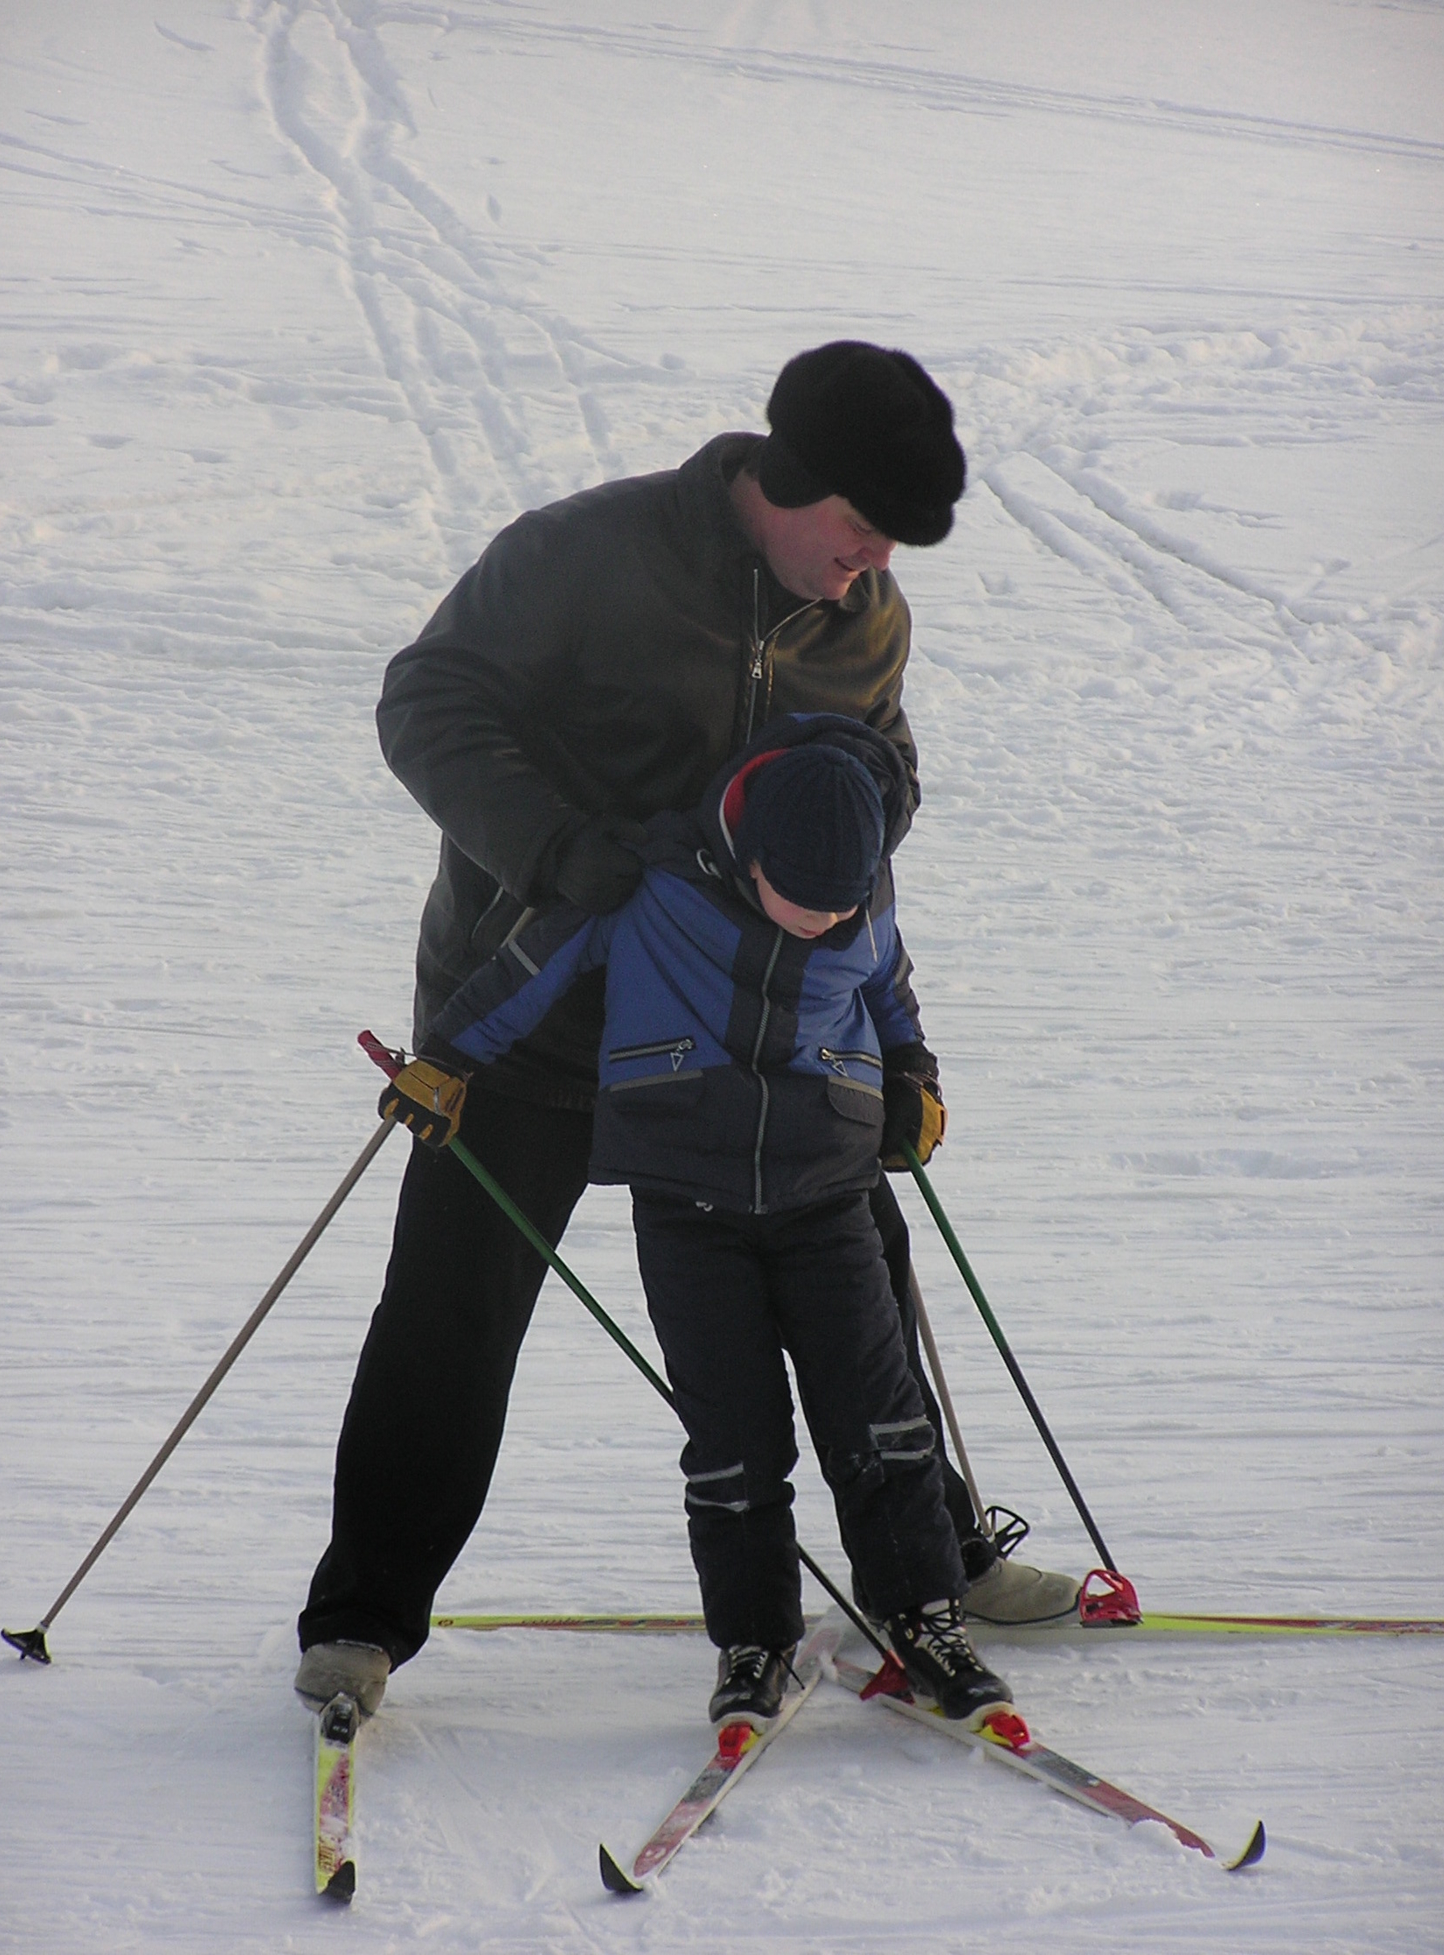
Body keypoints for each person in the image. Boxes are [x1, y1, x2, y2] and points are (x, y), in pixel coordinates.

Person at [295, 342, 1076, 1721]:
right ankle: (362, 1617)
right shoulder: (580, 556)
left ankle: (936, 1557)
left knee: (862, 1291)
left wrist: (883, 1025)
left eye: (890, 544)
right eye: (860, 528)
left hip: (756, 1039)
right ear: (788, 480)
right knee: (454, 1310)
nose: (872, 562)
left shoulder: (865, 616)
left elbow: (883, 778)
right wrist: (554, 848)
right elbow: (426, 700)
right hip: (535, 1002)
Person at [383, 714, 1015, 1730]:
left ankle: (924, 1616)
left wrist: (914, 1076)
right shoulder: (650, 883)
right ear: (748, 855)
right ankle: (755, 1639)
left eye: (839, 905)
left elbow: (890, 989)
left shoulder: (862, 893)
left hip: (830, 1192)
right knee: (732, 1437)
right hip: (688, 1204)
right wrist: (446, 1058)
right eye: (798, 901)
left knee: (881, 1418)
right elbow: (528, 968)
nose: (820, 922)